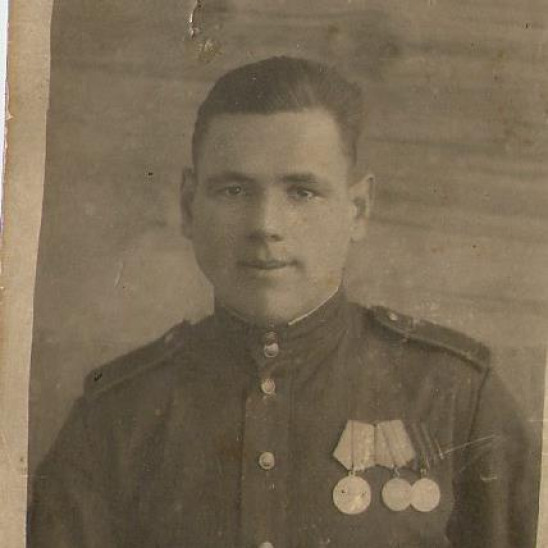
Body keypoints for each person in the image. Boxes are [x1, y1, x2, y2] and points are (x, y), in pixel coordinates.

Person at [28, 56, 539, 547]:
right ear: (188, 205)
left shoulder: (455, 395)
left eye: (301, 192)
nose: (265, 226)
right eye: (234, 191)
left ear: (357, 209)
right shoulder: (115, 417)